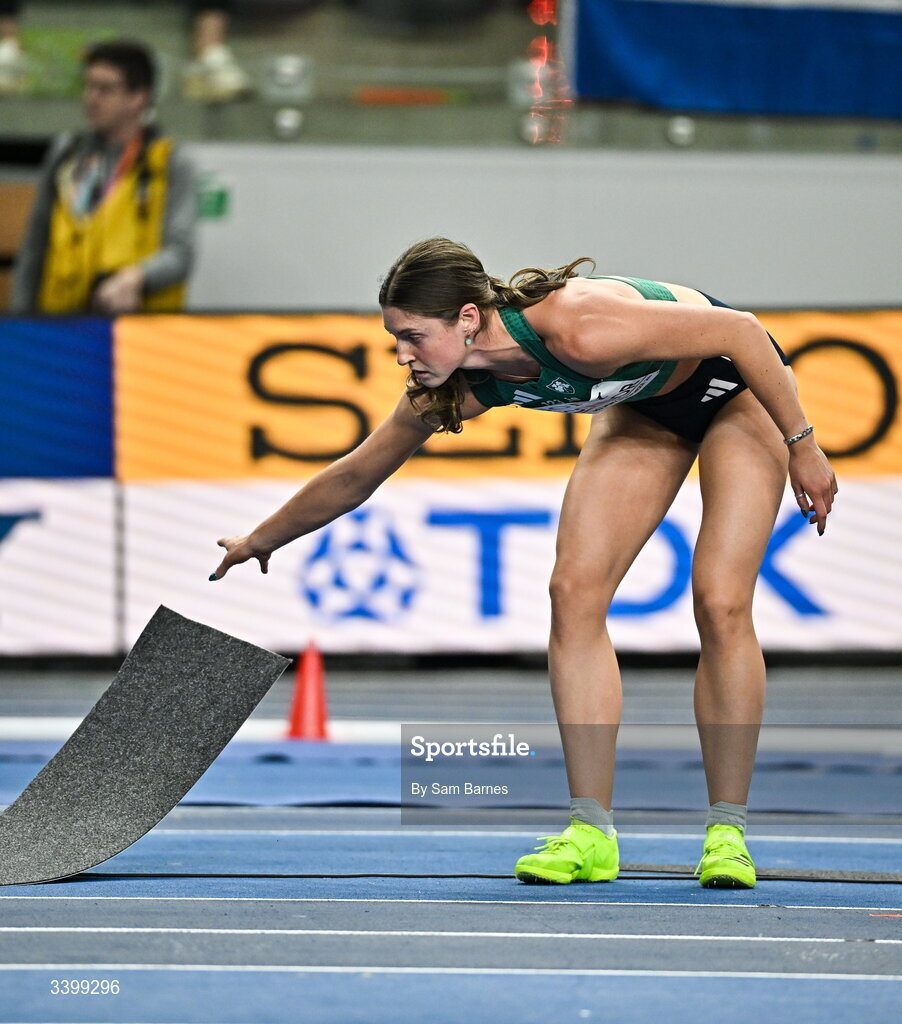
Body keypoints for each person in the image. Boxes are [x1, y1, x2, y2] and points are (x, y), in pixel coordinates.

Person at [210, 237, 837, 889]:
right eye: (395, 338)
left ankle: (726, 833)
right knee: (573, 593)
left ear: (468, 319)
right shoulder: (461, 387)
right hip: (649, 409)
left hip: (740, 390)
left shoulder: (579, 326)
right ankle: (591, 832)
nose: (402, 354)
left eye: (413, 336)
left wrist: (804, 445)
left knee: (720, 599)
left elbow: (741, 330)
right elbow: (358, 474)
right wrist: (262, 539)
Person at [11, 39, 196, 314]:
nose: (91, 98)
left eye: (105, 89)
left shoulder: (171, 161)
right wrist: (21, 321)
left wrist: (135, 278)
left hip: (138, 327)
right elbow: (36, 245)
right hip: (61, 322)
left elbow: (181, 253)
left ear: (138, 98)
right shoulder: (67, 153)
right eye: (88, 86)